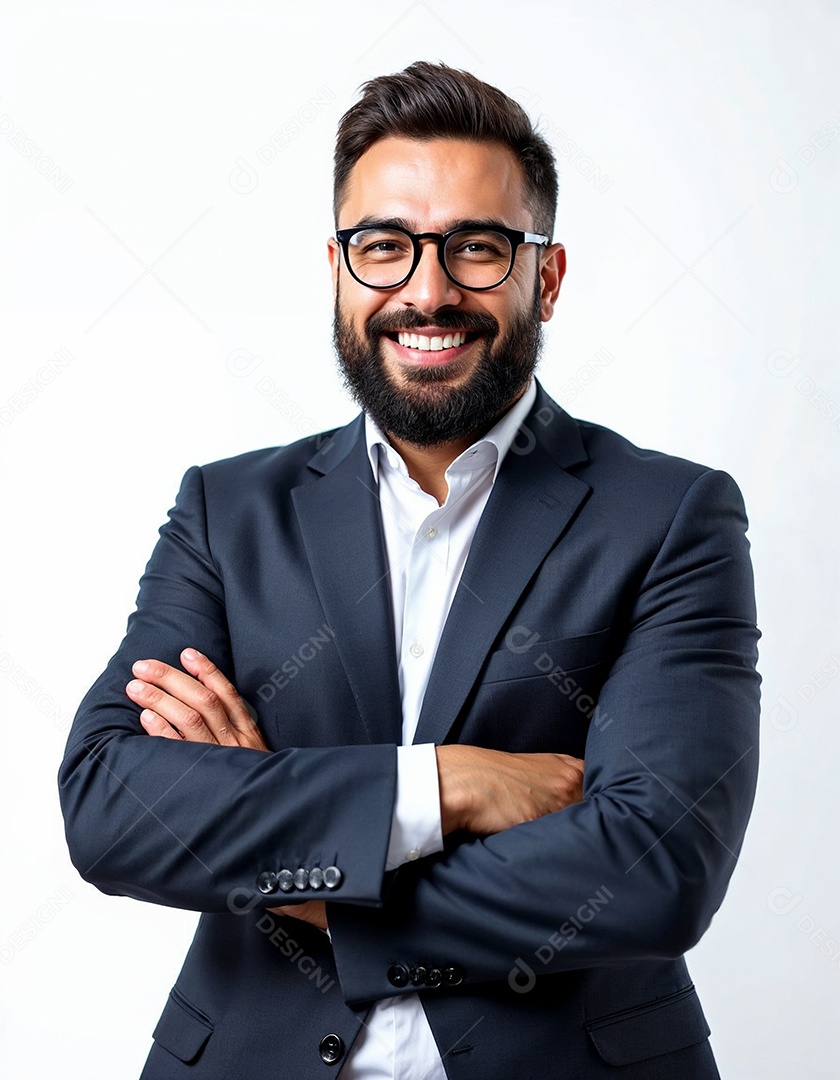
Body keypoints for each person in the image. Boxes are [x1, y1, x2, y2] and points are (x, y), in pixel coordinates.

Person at [58, 61, 761, 1078]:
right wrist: (440, 788)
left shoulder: (670, 516)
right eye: (384, 247)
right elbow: (113, 805)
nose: (427, 291)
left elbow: (655, 868)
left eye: (478, 249)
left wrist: (293, 857)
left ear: (545, 277)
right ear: (340, 270)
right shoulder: (229, 510)